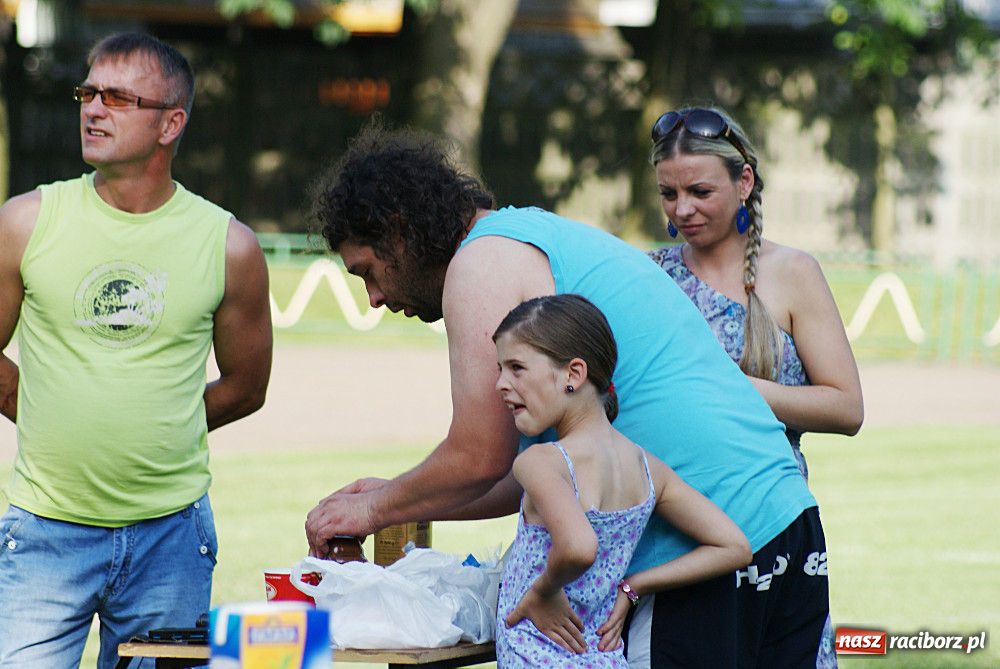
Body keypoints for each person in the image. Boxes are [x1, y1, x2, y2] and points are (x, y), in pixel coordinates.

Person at [304, 122, 831, 667]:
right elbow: (527, 477)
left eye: (368, 271)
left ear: (398, 231)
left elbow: (479, 456)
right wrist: (399, 496)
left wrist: (372, 509)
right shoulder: (532, 233)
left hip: (700, 555)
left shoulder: (482, 262)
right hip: (785, 523)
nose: (373, 298)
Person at [0, 33, 272, 667]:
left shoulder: (228, 245)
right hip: (44, 532)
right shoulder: (26, 221)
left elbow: (246, 384)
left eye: (118, 97)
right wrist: (43, 412)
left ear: (170, 123)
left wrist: (158, 427)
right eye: (87, 93)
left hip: (171, 539)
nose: (93, 109)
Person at [491, 294, 751, 667]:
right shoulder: (648, 469)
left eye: (516, 368)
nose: (501, 383)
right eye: (500, 369)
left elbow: (579, 547)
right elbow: (734, 546)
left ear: (573, 374)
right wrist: (634, 587)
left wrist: (544, 592)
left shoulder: (541, 463)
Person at [647, 106, 864, 480]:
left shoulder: (794, 272)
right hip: (672, 509)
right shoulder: (649, 275)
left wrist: (734, 390)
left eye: (700, 191)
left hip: (771, 510)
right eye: (669, 193)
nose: (682, 209)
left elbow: (846, 408)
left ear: (744, 182)